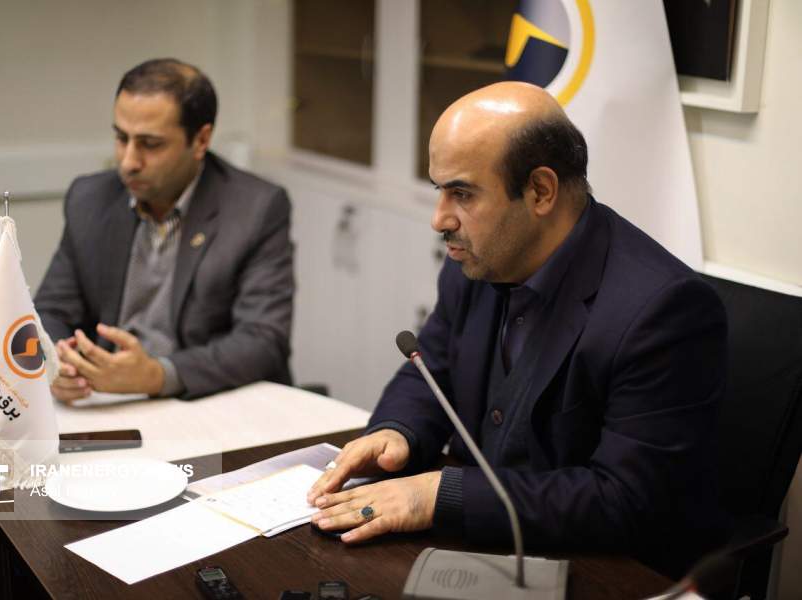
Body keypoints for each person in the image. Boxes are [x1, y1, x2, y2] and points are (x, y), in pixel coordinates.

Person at [307, 82, 727, 575]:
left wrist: (437, 495)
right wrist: (398, 432)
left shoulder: (661, 310)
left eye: (462, 193)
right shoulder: (476, 261)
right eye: (439, 191)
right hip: (482, 547)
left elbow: (625, 499)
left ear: (540, 191)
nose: (439, 220)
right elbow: (432, 369)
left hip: (601, 567)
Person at [35, 58, 294, 402]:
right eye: (121, 138)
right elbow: (50, 311)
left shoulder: (255, 208)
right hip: (106, 400)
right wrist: (56, 365)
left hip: (204, 400)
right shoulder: (90, 198)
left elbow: (263, 340)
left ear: (201, 140)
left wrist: (158, 375)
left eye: (150, 144)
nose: (128, 161)